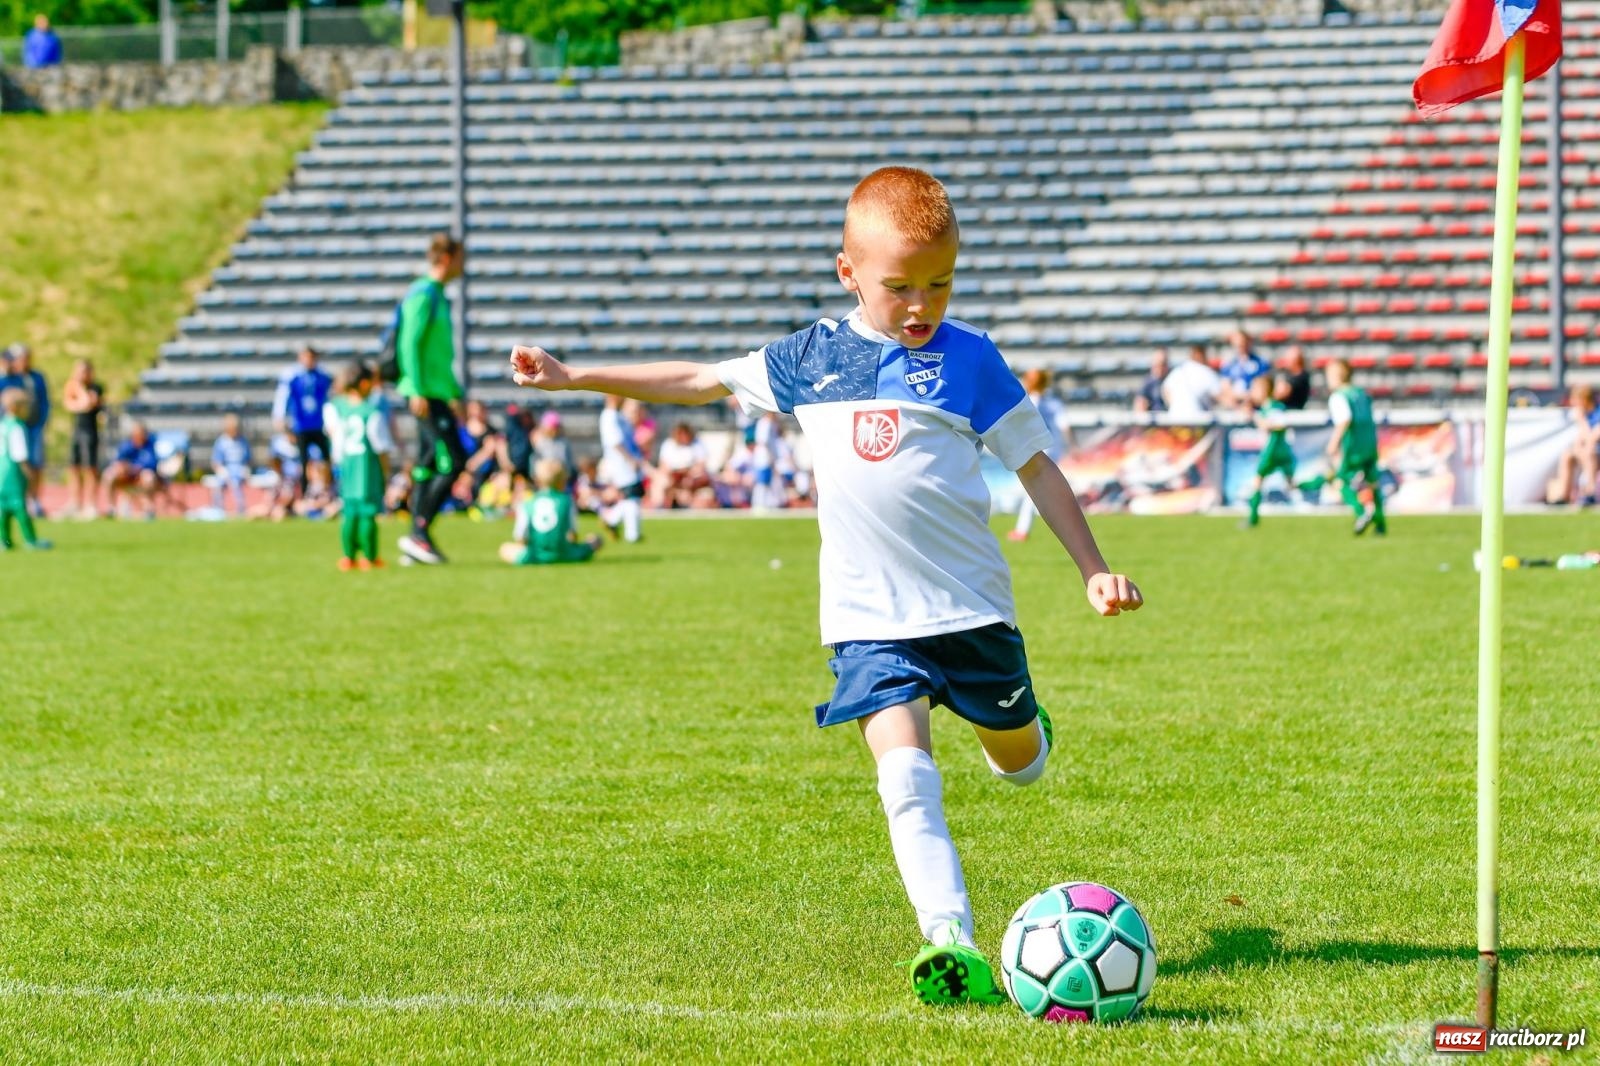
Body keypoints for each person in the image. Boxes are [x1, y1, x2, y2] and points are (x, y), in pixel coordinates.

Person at [507, 166, 1143, 1006]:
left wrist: (1094, 570)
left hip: (971, 611)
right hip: (868, 618)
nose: (922, 306)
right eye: (901, 288)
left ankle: (1025, 730)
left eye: (940, 285)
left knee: (1019, 763)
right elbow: (699, 379)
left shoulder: (973, 361)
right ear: (849, 274)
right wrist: (575, 375)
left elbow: (1035, 465)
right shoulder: (810, 358)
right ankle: (949, 939)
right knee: (904, 775)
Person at [395, 233, 466, 565]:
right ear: (448, 258)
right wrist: (418, 388)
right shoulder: (423, 294)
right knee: (452, 460)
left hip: (438, 393)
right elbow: (409, 344)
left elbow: (441, 354)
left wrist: (455, 393)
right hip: (425, 394)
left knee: (427, 463)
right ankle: (419, 532)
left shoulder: (438, 295)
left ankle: (416, 540)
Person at [325, 361, 392, 570]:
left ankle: (348, 556)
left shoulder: (336, 407)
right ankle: (370, 557)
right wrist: (386, 472)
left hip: (346, 465)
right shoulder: (371, 412)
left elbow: (334, 436)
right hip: (366, 468)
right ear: (364, 384)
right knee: (368, 513)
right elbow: (380, 446)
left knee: (349, 513)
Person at [499, 458, 603, 566]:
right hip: (565, 555)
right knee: (595, 540)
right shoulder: (567, 501)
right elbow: (573, 535)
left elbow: (520, 536)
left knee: (504, 548)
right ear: (562, 482)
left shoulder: (527, 503)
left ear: (537, 480)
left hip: (533, 555)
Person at [1324, 359, 1386, 536]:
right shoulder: (1362, 394)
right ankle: (1381, 526)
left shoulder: (1339, 396)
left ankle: (1362, 512)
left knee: (1341, 481)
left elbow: (1344, 420)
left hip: (1353, 446)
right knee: (1373, 484)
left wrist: (1333, 443)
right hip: (1370, 443)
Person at [1008, 368, 1065, 542]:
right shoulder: (1053, 402)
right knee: (1043, 489)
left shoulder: (1028, 401)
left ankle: (1022, 530)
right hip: (1053, 446)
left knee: (1033, 491)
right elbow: (1064, 425)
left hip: (1037, 447)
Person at [273, 344, 333, 499]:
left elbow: (329, 398)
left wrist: (332, 421)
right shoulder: (293, 376)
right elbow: (283, 397)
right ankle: (305, 492)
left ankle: (328, 490)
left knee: (326, 459)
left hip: (319, 425)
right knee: (304, 460)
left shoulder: (322, 375)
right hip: (301, 426)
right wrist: (280, 417)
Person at [1242, 375, 1295, 529]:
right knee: (1292, 485)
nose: (1252, 393)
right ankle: (1323, 480)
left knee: (1258, 481)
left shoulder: (1273, 407)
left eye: (1255, 389)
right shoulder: (1269, 407)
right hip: (1281, 450)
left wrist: (1255, 417)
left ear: (1264, 390)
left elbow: (1276, 424)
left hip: (1273, 450)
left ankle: (1252, 518)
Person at [1, 388, 51, 550]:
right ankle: (30, 540)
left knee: (2, 508)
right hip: (13, 473)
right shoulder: (17, 427)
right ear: (16, 407)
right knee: (20, 506)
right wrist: (29, 474)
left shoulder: (2, 425)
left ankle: (4, 540)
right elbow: (19, 454)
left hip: (1, 471)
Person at [4, 345, 49, 518]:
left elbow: (44, 401)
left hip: (33, 427)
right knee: (14, 462)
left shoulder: (37, 377)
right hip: (15, 427)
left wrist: (42, 422)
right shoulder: (10, 378)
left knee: (35, 463)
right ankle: (16, 497)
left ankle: (34, 499)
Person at [597, 394, 646, 540]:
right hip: (621, 463)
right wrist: (630, 459)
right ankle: (632, 534)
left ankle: (611, 519)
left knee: (632, 496)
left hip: (627, 462)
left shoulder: (618, 416)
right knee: (632, 496)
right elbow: (615, 442)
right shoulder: (609, 417)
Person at [62, 359, 104, 519]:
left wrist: (78, 388)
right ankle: (74, 503)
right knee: (74, 468)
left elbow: (86, 402)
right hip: (77, 431)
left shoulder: (96, 388)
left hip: (90, 432)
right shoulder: (73, 386)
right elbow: (70, 404)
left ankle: (91, 504)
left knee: (90, 469)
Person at [1546, 384, 1600, 506]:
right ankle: (1564, 495)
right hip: (1589, 451)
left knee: (1589, 451)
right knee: (1568, 455)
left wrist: (1581, 420)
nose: (1573, 403)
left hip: (1595, 451)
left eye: (1576, 399)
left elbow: (1592, 438)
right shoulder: (1585, 414)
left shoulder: (1596, 413)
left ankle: (1590, 493)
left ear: (1584, 399)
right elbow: (1580, 440)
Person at [104, 421, 169, 519]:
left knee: (148, 476)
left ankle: (148, 509)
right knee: (108, 475)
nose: (139, 436)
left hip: (141, 476)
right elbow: (118, 462)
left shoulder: (150, 446)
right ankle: (111, 508)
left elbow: (151, 464)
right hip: (126, 476)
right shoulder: (126, 445)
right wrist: (122, 468)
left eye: (142, 434)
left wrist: (133, 468)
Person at [652, 421, 713, 509]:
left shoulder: (697, 444)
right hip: (672, 476)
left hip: (691, 477)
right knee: (660, 481)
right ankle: (659, 507)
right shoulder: (668, 444)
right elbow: (663, 466)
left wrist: (688, 475)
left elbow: (701, 465)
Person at [1161, 343, 1221, 420]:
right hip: (1198, 423)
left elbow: (1165, 390)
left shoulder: (1178, 370)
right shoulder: (1206, 372)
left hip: (1175, 421)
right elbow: (1221, 396)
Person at [209, 413, 252, 517]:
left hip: (238, 469)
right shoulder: (221, 442)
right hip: (225, 469)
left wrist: (246, 468)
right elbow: (215, 461)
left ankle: (240, 509)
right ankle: (218, 509)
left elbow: (248, 458)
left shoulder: (243, 441)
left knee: (236, 485)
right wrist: (220, 470)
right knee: (218, 485)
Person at [1218, 329, 1268, 410]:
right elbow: (1225, 389)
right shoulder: (1228, 364)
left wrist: (1247, 399)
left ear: (1249, 342)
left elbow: (1260, 391)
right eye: (1238, 343)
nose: (1240, 346)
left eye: (1243, 343)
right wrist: (1237, 398)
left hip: (1253, 407)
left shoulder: (1260, 363)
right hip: (1234, 406)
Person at [1133, 348, 1168, 414]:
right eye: (1158, 364)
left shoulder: (1172, 380)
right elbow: (1140, 405)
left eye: (1163, 364)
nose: (1160, 368)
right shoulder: (1147, 383)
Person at [1279, 345, 1312, 411]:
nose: (1286, 361)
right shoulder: (1289, 375)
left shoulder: (1302, 377)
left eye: (1288, 358)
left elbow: (1281, 393)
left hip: (1293, 414)